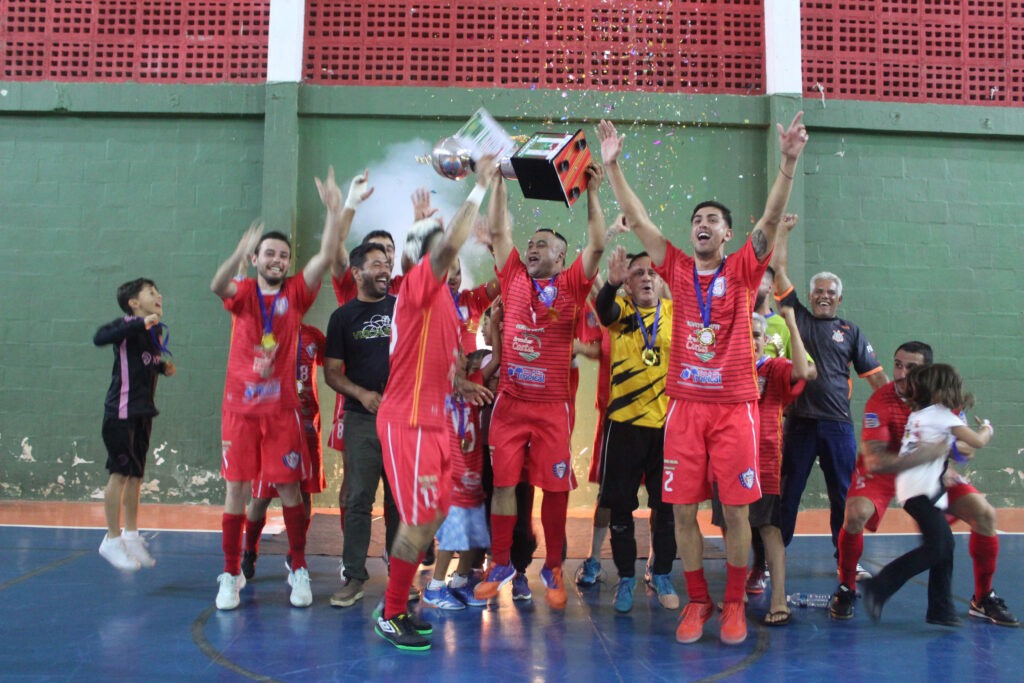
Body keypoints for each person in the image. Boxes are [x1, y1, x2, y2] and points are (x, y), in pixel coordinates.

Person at [597, 111, 809, 645]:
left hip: (734, 407)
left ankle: (733, 602)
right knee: (682, 511)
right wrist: (614, 167)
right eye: (697, 218)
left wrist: (787, 162)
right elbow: (637, 215)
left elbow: (770, 216)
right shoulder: (675, 267)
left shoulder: (742, 269)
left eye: (713, 219)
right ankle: (698, 600)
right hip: (685, 410)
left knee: (736, 514)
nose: (703, 223)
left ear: (728, 234)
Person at [209, 166, 361, 611]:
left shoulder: (296, 292)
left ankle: (297, 567)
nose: (276, 260)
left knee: (291, 488)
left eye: (282, 255)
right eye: (268, 254)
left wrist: (336, 210)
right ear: (256, 260)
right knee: (237, 490)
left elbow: (326, 254)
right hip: (239, 412)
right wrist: (238, 250)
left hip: (282, 412)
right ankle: (231, 571)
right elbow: (216, 284)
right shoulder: (240, 292)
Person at [373, 158, 497, 651]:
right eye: (440, 245)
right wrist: (480, 184)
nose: (451, 249)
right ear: (423, 259)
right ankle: (390, 611)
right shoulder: (418, 289)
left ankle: (401, 604)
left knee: (436, 511)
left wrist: (462, 384)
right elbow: (441, 248)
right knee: (422, 518)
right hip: (407, 422)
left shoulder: (445, 301)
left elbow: (441, 365)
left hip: (435, 421)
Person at [473, 163, 608, 610]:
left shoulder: (572, 284)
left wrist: (591, 193)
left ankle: (552, 564)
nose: (532, 249)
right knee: (504, 486)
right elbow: (497, 230)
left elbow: (599, 243)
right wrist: (495, 181)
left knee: (555, 488)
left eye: (543, 245)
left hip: (551, 407)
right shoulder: (513, 277)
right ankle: (499, 561)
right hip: (510, 404)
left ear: (562, 258)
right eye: (530, 244)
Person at [829, 342, 1019, 626]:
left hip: (929, 471)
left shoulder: (943, 400)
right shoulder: (880, 401)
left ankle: (981, 599)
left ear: (927, 372)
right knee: (855, 514)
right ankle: (847, 587)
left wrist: (950, 456)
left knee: (984, 514)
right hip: (890, 470)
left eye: (911, 368)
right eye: (898, 365)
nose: (902, 373)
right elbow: (876, 462)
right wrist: (934, 452)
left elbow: (966, 449)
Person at [773, 216, 888, 560]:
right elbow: (778, 270)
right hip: (800, 423)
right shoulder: (799, 318)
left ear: (840, 298)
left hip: (838, 427)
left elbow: (878, 380)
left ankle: (845, 562)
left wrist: (901, 417)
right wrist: (783, 233)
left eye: (830, 293)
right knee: (787, 494)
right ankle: (768, 564)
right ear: (809, 296)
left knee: (842, 494)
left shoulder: (851, 332)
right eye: (819, 292)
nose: (824, 297)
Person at [859, 363, 994, 625]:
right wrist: (988, 428)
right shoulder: (944, 416)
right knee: (937, 547)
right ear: (944, 390)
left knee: (946, 546)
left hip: (913, 490)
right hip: (923, 490)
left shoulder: (919, 415)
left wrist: (952, 451)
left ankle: (940, 610)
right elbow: (977, 442)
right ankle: (880, 585)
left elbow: (951, 447)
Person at [591, 245, 678, 613]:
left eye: (652, 273)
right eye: (638, 272)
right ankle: (626, 577)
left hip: (667, 429)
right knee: (620, 508)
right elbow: (604, 308)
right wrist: (610, 285)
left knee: (668, 507)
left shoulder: (677, 313)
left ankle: (660, 574)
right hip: (623, 426)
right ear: (627, 282)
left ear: (661, 282)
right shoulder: (622, 312)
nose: (646, 277)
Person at [323, 241, 399, 609]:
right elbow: (332, 373)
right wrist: (362, 393)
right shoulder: (342, 317)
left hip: (402, 419)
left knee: (399, 502)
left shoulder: (402, 308)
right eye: (376, 264)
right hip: (361, 419)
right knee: (357, 500)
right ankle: (353, 576)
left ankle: (400, 579)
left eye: (387, 263)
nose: (384, 269)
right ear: (356, 273)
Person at [93, 278, 175, 571]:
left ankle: (130, 534)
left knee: (136, 476)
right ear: (134, 303)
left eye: (158, 290)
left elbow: (142, 363)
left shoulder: (150, 334)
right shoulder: (126, 327)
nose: (158, 295)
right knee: (119, 474)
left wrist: (161, 367)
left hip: (142, 414)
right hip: (120, 413)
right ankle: (111, 539)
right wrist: (140, 324)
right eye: (151, 292)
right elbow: (99, 338)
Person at [241, 322, 326, 579]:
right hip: (274, 426)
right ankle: (249, 550)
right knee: (260, 496)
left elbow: (333, 365)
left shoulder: (313, 336)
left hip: (308, 424)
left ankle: (295, 554)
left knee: (305, 492)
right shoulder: (267, 337)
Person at [750, 308, 816, 625]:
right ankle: (734, 595)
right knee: (731, 527)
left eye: (756, 336)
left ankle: (778, 598)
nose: (750, 342)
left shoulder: (774, 367)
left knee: (769, 528)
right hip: (727, 457)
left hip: (763, 459)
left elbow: (803, 371)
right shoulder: (727, 369)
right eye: (744, 335)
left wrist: (791, 324)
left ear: (766, 340)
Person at [420, 348, 494, 610]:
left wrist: (497, 325)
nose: (461, 360)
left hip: (472, 472)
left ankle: (460, 582)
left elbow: (495, 361)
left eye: (463, 357)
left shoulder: (473, 387)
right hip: (450, 473)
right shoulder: (439, 391)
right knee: (453, 535)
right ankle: (434, 587)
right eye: (456, 356)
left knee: (474, 536)